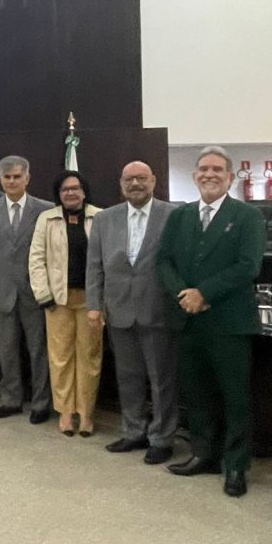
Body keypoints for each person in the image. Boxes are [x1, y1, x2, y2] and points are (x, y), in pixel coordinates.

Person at [157, 146, 265, 497]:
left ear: (230, 177)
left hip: (230, 323)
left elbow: (248, 266)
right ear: (194, 176)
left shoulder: (247, 216)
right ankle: (203, 453)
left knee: (235, 398)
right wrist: (183, 294)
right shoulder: (180, 216)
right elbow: (163, 261)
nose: (210, 174)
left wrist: (203, 293)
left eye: (218, 169)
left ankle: (235, 465)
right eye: (204, 169)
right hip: (188, 321)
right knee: (197, 394)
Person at [86, 161, 178, 465]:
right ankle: (134, 431)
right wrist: (94, 305)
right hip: (118, 309)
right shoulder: (104, 219)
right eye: (129, 179)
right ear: (121, 184)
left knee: (161, 379)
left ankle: (162, 438)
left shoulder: (173, 215)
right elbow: (94, 265)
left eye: (141, 178)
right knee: (128, 376)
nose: (135, 183)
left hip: (158, 309)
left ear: (153, 181)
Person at [0, 155, 53, 423]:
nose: (11, 181)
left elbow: (52, 253)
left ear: (27, 178)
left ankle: (41, 402)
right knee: (6, 351)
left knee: (38, 351)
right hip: (1, 294)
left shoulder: (45, 209)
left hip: (36, 293)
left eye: (17, 176)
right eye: (7, 177)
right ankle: (11, 399)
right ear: (0, 179)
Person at [29, 170, 102, 437]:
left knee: (89, 357)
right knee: (60, 358)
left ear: (84, 191)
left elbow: (107, 259)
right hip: (57, 300)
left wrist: (102, 299)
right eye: (65, 189)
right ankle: (66, 411)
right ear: (58, 194)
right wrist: (43, 295)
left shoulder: (100, 217)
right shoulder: (46, 218)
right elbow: (36, 259)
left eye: (75, 188)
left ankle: (86, 413)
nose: (70, 193)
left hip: (91, 301)